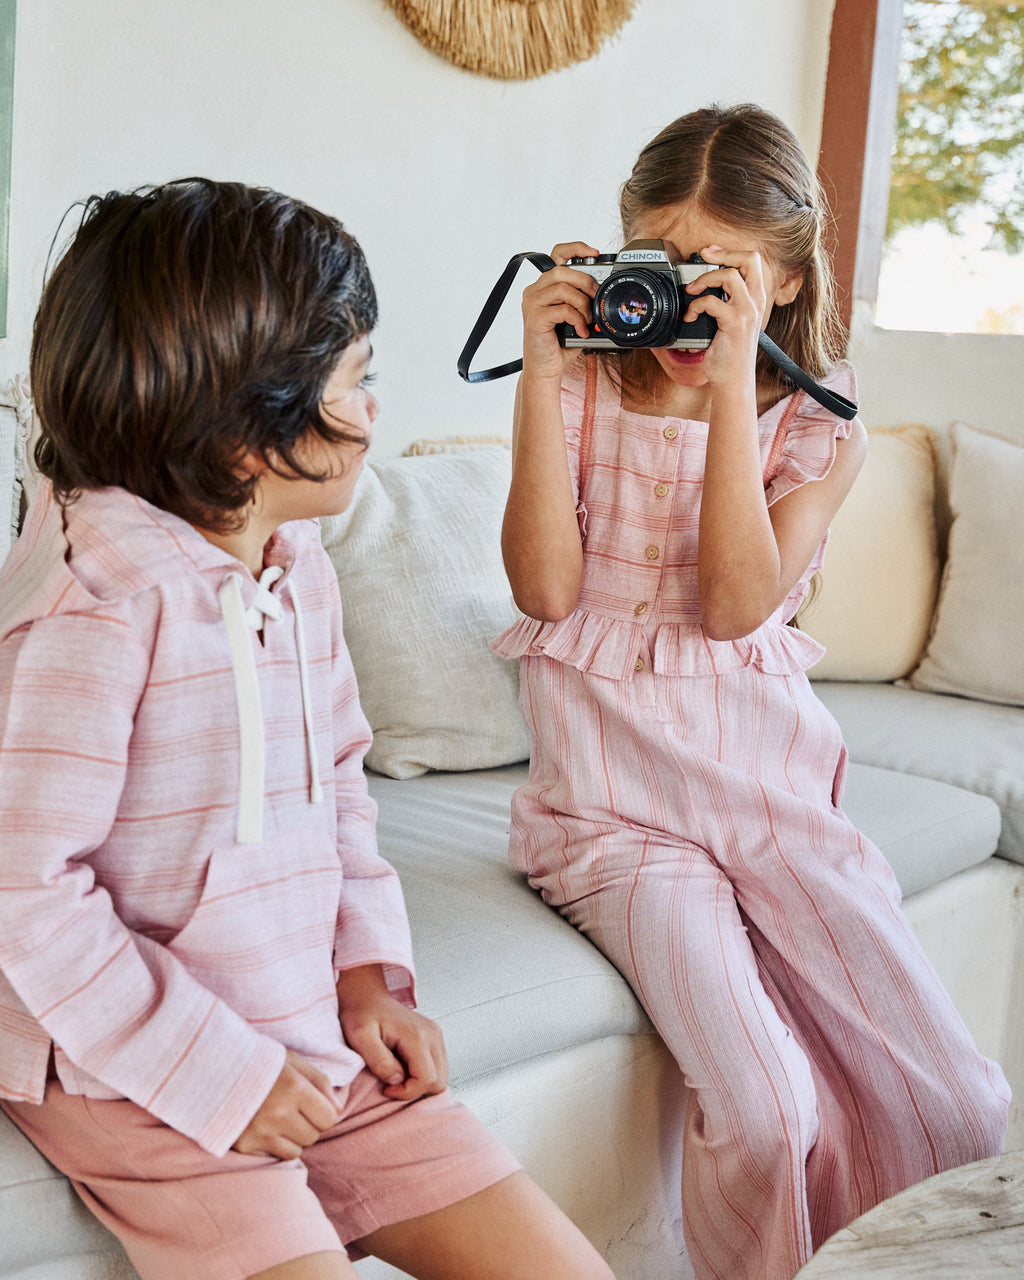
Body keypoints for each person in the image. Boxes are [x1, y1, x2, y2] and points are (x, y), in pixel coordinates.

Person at [0, 179, 616, 1280]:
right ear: (247, 433)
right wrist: (219, 1074)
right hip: (132, 1071)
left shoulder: (296, 567)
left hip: (302, 1028)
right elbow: (24, 887)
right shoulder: (101, 603)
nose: (375, 406)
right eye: (356, 378)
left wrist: (367, 973)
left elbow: (339, 782)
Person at [494, 104, 1010, 1280]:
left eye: (723, 273)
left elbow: (735, 602)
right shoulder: (580, 387)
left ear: (782, 282)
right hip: (614, 825)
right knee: (770, 1115)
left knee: (958, 1106)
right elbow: (543, 583)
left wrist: (735, 391)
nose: (685, 298)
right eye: (663, 262)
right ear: (619, 252)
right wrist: (538, 369)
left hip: (773, 806)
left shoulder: (820, 421)